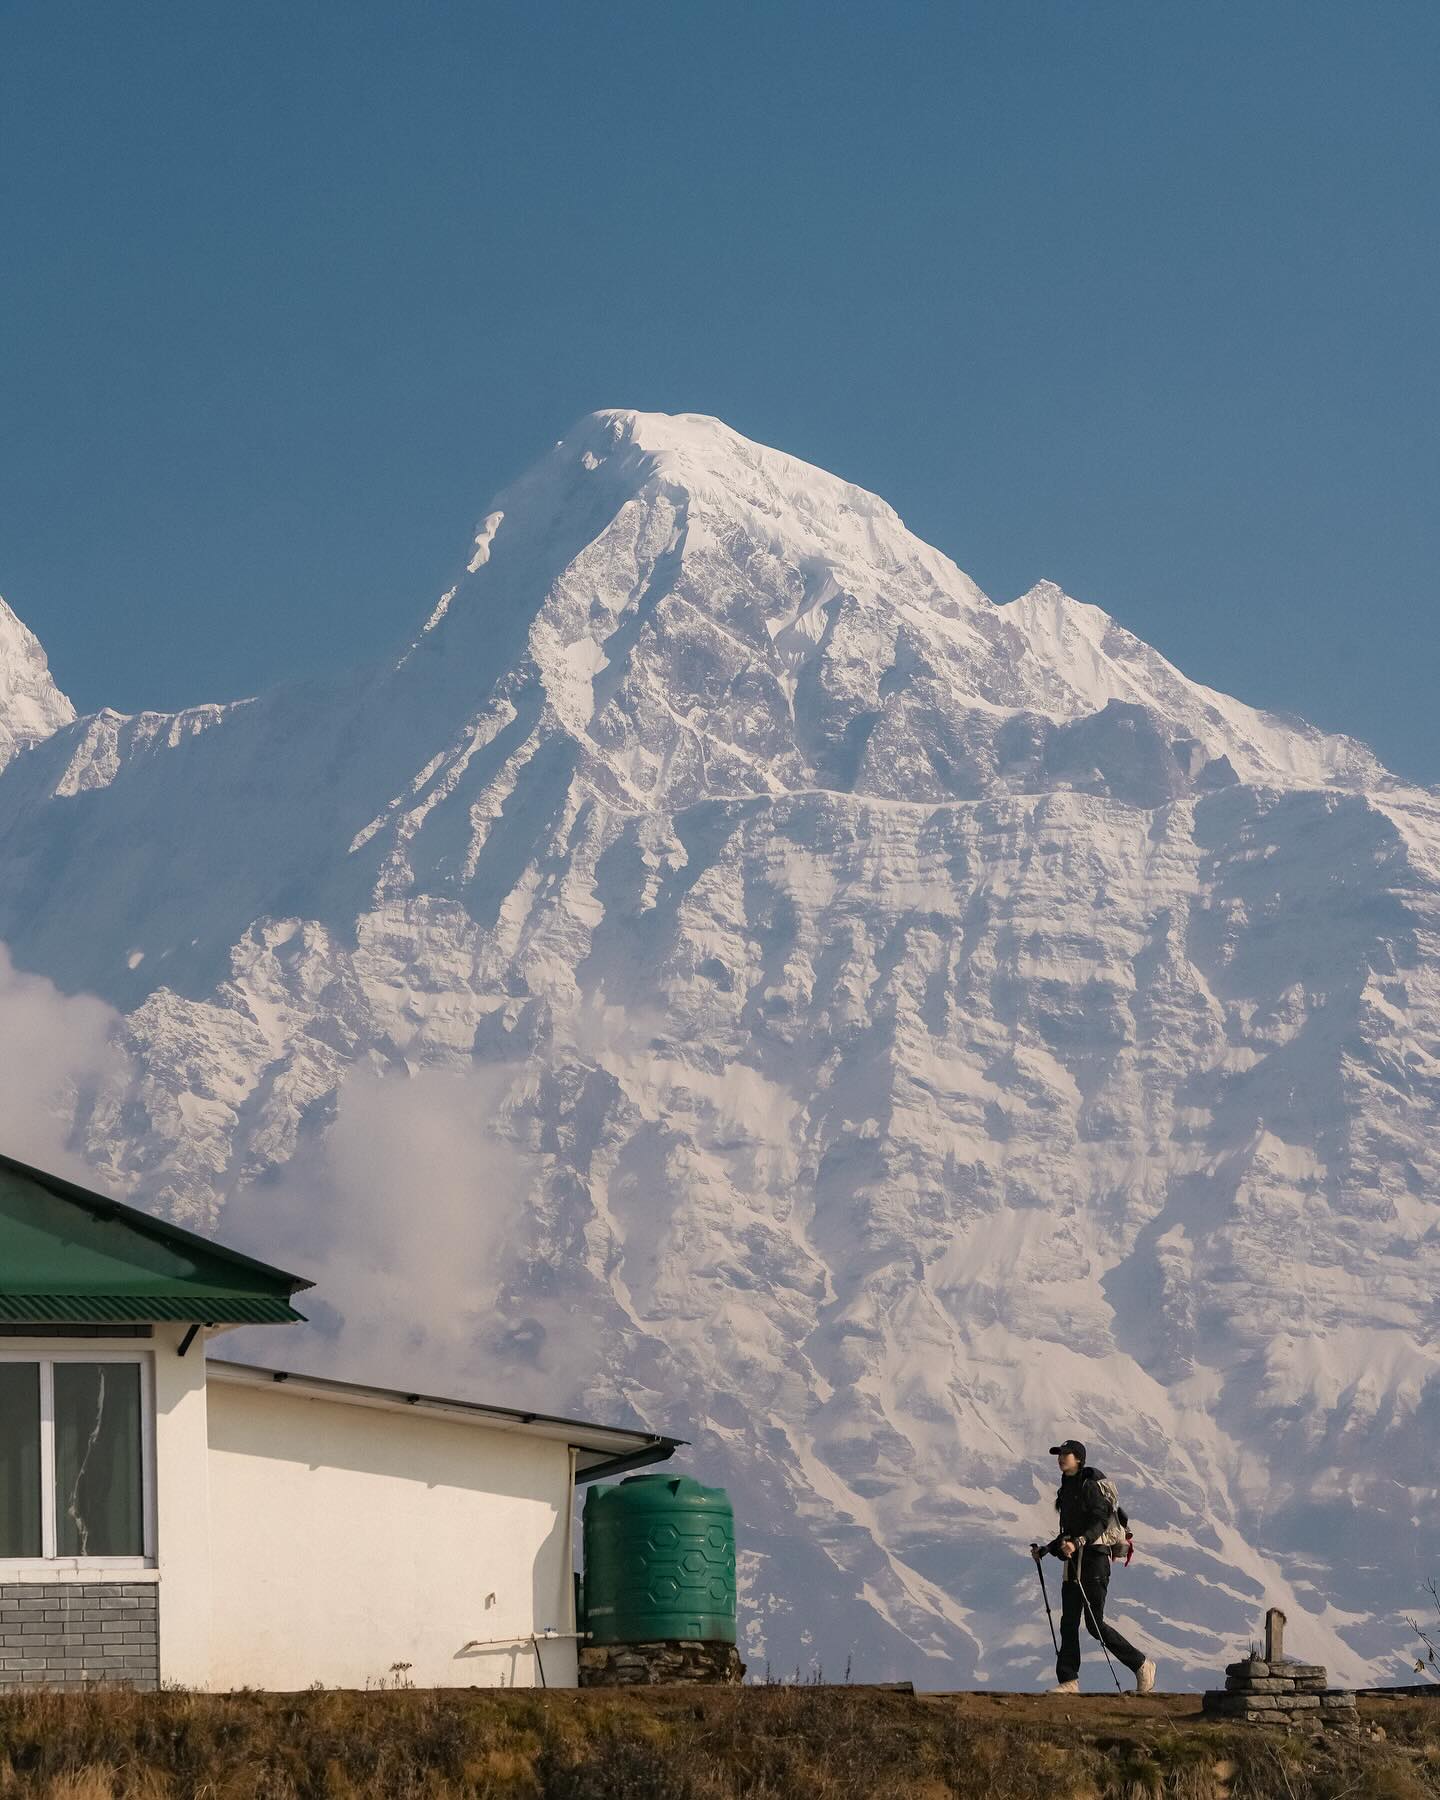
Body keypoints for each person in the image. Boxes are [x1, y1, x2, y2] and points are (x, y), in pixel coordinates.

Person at [1032, 1439, 1156, 1695]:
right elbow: (1067, 1533)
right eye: (1059, 1454)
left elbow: (1099, 1521)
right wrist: (1046, 1550)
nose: (1060, 1458)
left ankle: (1142, 1665)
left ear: (1079, 1458)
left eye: (1066, 1454)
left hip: (1095, 1560)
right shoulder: (1065, 1491)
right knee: (1068, 1622)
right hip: (1074, 1561)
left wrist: (1079, 1542)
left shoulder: (1089, 1487)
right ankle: (1069, 1680)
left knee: (1094, 1624)